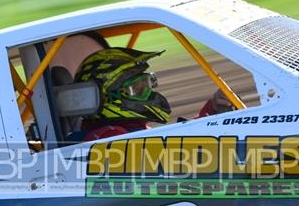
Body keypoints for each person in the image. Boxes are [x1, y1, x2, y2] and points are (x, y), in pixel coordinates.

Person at [71, 47, 233, 141]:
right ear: (107, 98)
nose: (148, 92)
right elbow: (175, 154)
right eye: (136, 89)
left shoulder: (130, 129)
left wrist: (213, 110)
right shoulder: (109, 138)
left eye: (147, 83)